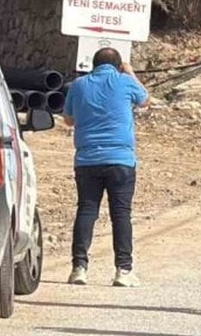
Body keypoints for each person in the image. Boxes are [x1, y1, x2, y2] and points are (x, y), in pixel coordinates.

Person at [62, 48, 150, 287]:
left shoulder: (78, 85)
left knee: (86, 211)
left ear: (94, 63)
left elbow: (68, 119)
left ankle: (79, 267)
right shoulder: (124, 81)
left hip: (87, 159)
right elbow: (144, 99)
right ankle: (123, 270)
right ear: (118, 65)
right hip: (120, 159)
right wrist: (130, 72)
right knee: (121, 214)